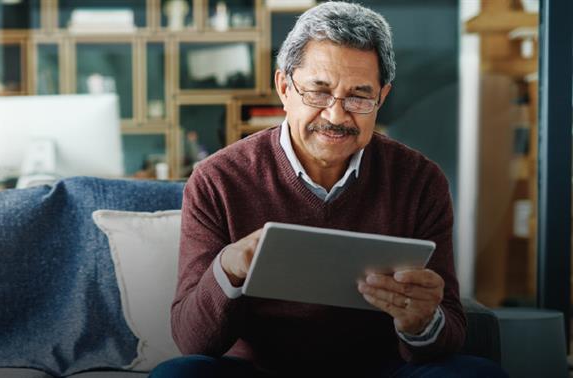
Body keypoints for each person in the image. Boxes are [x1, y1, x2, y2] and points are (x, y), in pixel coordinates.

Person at [152, 2, 507, 377]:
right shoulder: (217, 179)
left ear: (381, 98)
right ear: (285, 88)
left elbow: (449, 333)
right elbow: (192, 341)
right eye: (319, 93)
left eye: (358, 96)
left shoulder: (420, 181)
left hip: (380, 369)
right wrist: (229, 267)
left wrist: (421, 323)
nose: (337, 116)